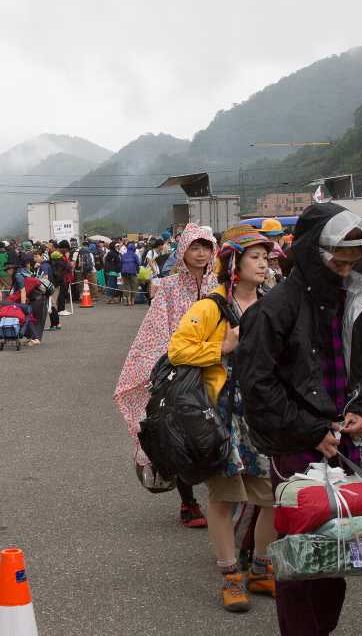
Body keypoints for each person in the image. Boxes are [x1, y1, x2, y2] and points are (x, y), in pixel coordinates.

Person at [236, 203, 362, 635]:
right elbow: (257, 386)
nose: (344, 270)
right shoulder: (274, 308)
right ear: (308, 251)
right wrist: (310, 430)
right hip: (296, 451)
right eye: (336, 260)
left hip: (342, 444)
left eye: (351, 261)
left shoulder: (353, 301)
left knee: (335, 558)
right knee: (303, 559)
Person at [168, 226, 278, 613]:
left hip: (265, 418)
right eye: (255, 257)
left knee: (272, 497)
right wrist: (222, 346)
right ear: (233, 263)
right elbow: (178, 349)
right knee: (224, 499)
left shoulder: (273, 303)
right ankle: (232, 577)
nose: (264, 263)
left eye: (267, 257)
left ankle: (262, 568)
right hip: (223, 417)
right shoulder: (210, 307)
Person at [114, 223, 218, 529]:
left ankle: (223, 500)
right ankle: (188, 501)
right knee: (182, 434)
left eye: (206, 248)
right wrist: (165, 364)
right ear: (183, 252)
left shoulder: (218, 285)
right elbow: (156, 330)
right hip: (180, 371)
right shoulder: (169, 288)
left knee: (220, 431)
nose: (200, 254)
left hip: (216, 368)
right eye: (194, 248)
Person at [121, 240, 140, 305]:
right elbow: (138, 264)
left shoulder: (123, 255)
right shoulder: (135, 255)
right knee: (134, 286)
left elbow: (121, 264)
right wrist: (138, 271)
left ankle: (128, 301)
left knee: (126, 286)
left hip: (124, 272)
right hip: (133, 272)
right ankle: (132, 301)